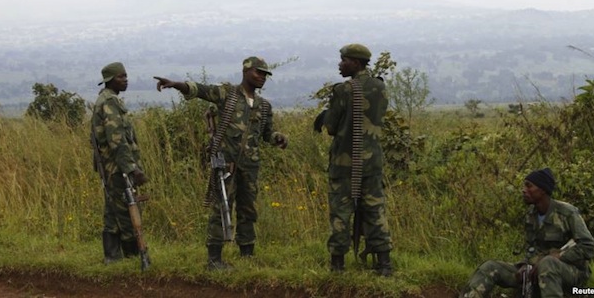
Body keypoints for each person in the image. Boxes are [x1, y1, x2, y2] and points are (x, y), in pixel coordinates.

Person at [154, 56, 288, 270]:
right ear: (246, 71)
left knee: (249, 210)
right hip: (226, 165)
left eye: (265, 74)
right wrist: (176, 84)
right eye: (258, 72)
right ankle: (214, 259)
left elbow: (266, 133)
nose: (262, 77)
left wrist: (277, 138)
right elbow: (200, 89)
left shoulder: (264, 106)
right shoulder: (227, 94)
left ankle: (247, 255)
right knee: (221, 208)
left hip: (250, 167)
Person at [316, 43, 393, 276]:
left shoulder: (344, 90)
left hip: (344, 164)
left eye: (344, 60)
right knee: (375, 211)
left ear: (356, 63)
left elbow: (330, 128)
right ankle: (384, 265)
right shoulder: (380, 87)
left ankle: (337, 266)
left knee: (341, 213)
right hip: (372, 163)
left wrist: (325, 118)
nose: (340, 64)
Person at [459, 168, 594, 298]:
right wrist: (527, 266)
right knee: (490, 267)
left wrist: (558, 256)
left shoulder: (567, 212)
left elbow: (589, 247)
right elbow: (532, 249)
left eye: (529, 186)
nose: (524, 190)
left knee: (548, 263)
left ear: (542, 190)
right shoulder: (531, 215)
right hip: (539, 270)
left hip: (572, 274)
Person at [91, 62, 148, 264]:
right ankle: (133, 255)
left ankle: (112, 257)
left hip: (113, 167)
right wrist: (132, 169)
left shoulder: (109, 100)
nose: (125, 80)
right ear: (110, 80)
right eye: (120, 77)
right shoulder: (109, 102)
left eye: (125, 76)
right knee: (125, 210)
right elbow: (117, 141)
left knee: (113, 210)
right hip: (116, 168)